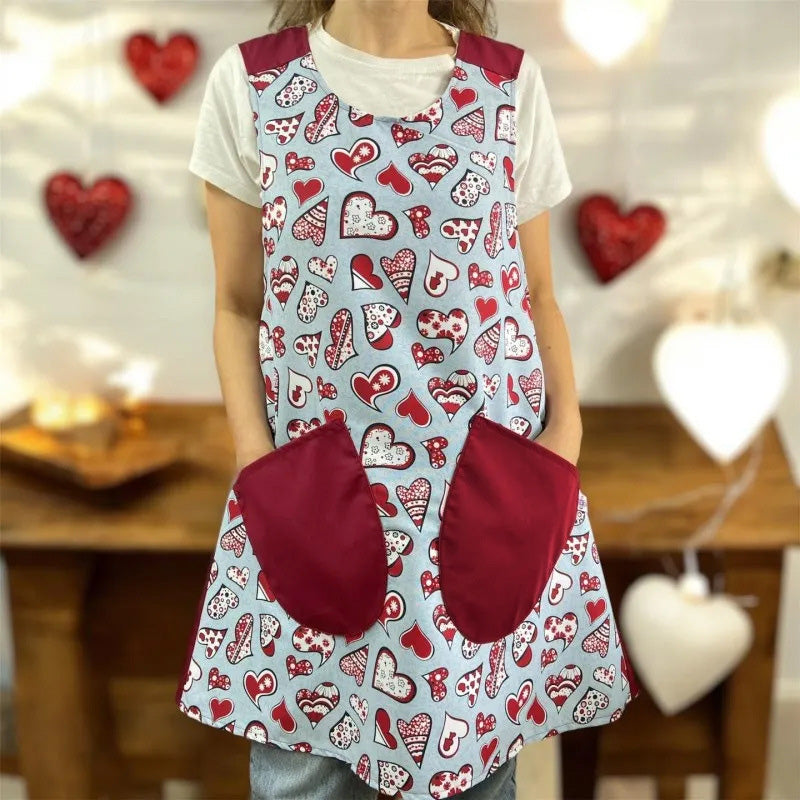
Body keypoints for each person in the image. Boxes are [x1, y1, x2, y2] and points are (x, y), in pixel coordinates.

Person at [175, 1, 641, 798]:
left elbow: (535, 292)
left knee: (475, 772)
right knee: (303, 777)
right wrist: (258, 466)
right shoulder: (253, 84)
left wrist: (564, 436)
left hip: (484, 494)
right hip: (313, 497)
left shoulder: (508, 86)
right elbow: (236, 305)